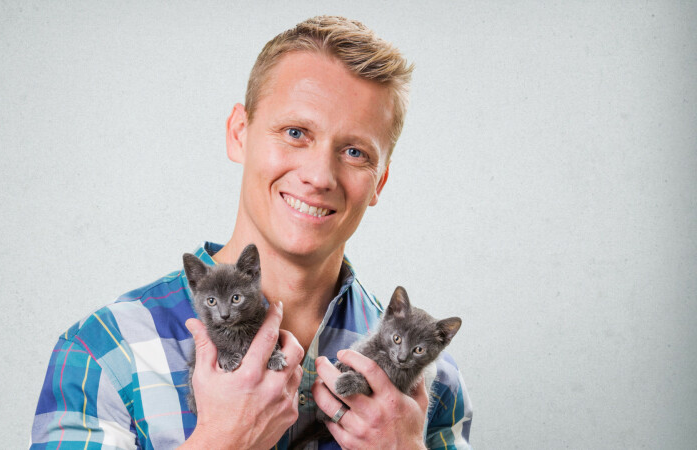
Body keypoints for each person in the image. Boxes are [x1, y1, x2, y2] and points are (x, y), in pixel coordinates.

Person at [30, 16, 472, 449]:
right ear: (239, 134)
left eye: (355, 152)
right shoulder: (104, 353)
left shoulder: (434, 384)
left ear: (379, 182)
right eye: (295, 132)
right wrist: (223, 440)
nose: (319, 176)